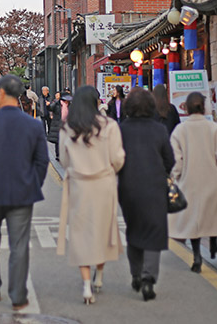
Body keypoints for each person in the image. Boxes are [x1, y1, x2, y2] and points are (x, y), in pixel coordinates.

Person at [0, 74, 49, 312]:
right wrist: (33, 183)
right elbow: (42, 162)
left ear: (2, 93)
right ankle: (18, 295)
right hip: (23, 193)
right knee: (20, 244)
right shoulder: (33, 125)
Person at [57, 85, 125, 305]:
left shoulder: (68, 128)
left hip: (78, 185)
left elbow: (64, 160)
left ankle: (86, 285)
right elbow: (118, 158)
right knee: (102, 231)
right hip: (104, 184)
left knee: (81, 233)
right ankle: (100, 277)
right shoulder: (110, 126)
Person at [168, 92, 217, 273]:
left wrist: (175, 177)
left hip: (189, 181)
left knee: (195, 220)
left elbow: (177, 160)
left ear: (186, 109)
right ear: (203, 107)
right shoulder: (213, 128)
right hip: (212, 180)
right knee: (212, 213)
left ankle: (196, 256)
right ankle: (213, 243)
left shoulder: (180, 130)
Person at [118, 88, 175, 301]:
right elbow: (170, 160)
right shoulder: (159, 130)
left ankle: (135, 274)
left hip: (128, 187)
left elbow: (116, 158)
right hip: (154, 186)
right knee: (153, 231)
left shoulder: (122, 129)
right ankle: (148, 278)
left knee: (134, 230)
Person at [47, 92, 71, 160]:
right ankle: (58, 155)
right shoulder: (57, 104)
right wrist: (48, 105)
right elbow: (50, 108)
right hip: (58, 124)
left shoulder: (70, 105)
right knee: (58, 141)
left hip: (67, 125)